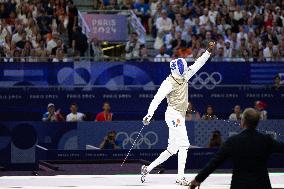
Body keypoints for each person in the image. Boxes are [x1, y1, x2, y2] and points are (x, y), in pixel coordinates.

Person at [141, 41, 215, 185]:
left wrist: (208, 52)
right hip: (173, 114)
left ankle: (147, 168)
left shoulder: (185, 75)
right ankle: (180, 177)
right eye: (182, 72)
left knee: (172, 149)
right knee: (184, 144)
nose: (184, 73)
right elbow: (157, 99)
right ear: (175, 71)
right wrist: (149, 114)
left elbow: (198, 64)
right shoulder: (168, 82)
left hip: (179, 115)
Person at [190, 108, 284, 189]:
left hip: (239, 185)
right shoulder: (266, 140)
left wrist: (198, 179)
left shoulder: (233, 141)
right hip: (262, 185)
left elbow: (215, 162)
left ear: (243, 122)